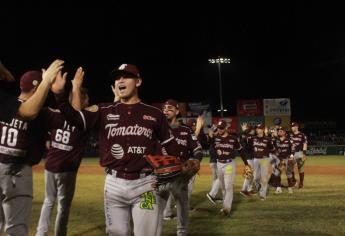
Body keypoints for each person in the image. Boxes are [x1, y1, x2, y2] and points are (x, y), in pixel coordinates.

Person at [52, 63, 178, 236]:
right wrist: (59, 95)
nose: (120, 80)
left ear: (138, 82)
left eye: (126, 76)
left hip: (146, 186)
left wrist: (167, 176)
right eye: (117, 78)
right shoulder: (103, 110)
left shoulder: (154, 114)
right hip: (114, 186)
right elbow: (75, 119)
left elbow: (172, 147)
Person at [0, 64, 63, 235]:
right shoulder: (41, 113)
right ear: (37, 87)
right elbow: (73, 118)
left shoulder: (5, 102)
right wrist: (58, 93)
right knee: (17, 228)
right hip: (19, 171)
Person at [36, 68, 90, 236]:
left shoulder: (55, 114)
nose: (88, 101)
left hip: (50, 165)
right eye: (86, 97)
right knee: (63, 206)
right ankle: (60, 234)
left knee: (48, 201)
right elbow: (76, 113)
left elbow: (43, 125)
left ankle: (40, 233)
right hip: (67, 169)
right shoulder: (85, 120)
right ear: (80, 98)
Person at [159, 99, 202, 236]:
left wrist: (195, 160)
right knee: (151, 210)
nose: (166, 110)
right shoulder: (156, 128)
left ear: (177, 111)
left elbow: (197, 150)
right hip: (159, 176)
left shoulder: (186, 130)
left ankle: (182, 233)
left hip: (179, 176)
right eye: (164, 108)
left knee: (183, 207)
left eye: (170, 108)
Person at [0, 60, 64, 122]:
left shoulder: (8, 102)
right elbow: (70, 120)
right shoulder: (43, 112)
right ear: (35, 88)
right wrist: (58, 92)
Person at [207, 120, 248, 216]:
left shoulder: (233, 139)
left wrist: (246, 163)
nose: (220, 129)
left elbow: (241, 151)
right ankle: (224, 206)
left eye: (221, 128)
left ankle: (227, 208)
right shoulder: (216, 138)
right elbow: (209, 141)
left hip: (229, 164)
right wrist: (210, 134)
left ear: (226, 128)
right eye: (219, 128)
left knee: (228, 186)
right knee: (223, 187)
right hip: (219, 164)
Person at [246, 123, 275, 201]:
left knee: (264, 178)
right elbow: (248, 147)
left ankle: (263, 195)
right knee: (256, 178)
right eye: (257, 128)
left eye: (259, 128)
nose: (257, 130)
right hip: (255, 159)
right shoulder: (253, 138)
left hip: (264, 160)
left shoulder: (267, 139)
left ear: (262, 130)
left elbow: (272, 149)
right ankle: (259, 189)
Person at [239, 123, 256, 197]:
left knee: (251, 175)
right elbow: (246, 147)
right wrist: (244, 132)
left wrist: (244, 132)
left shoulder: (248, 136)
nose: (253, 130)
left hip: (251, 157)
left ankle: (249, 189)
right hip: (249, 158)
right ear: (250, 130)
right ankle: (243, 190)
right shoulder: (248, 137)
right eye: (252, 129)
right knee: (249, 174)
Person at [290, 122, 308, 188]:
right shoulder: (290, 135)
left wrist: (304, 154)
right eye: (291, 126)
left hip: (300, 153)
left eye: (293, 126)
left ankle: (301, 183)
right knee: (290, 168)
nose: (292, 128)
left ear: (297, 127)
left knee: (301, 169)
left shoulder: (302, 135)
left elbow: (305, 144)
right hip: (292, 154)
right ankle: (294, 181)